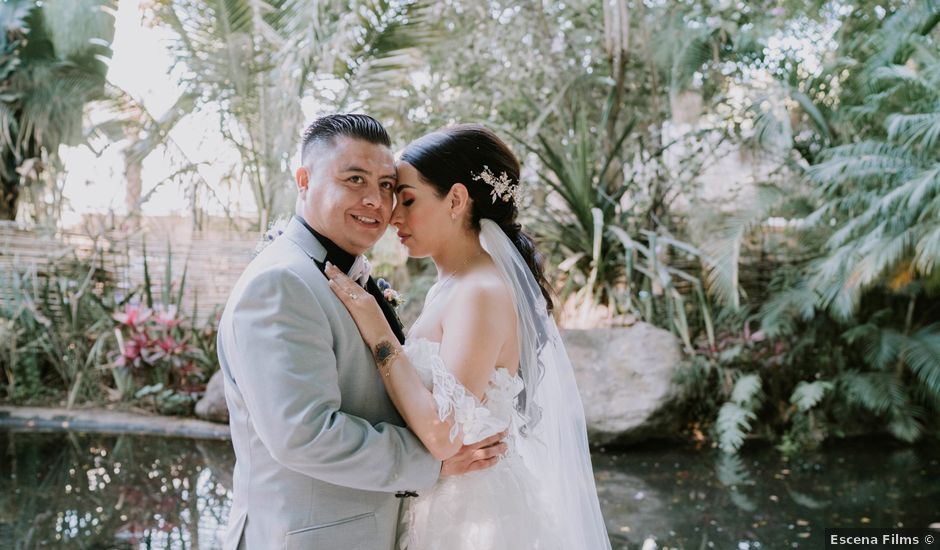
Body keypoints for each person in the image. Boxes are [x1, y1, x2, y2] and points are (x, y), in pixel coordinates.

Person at [216, 114, 506, 550]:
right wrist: (432, 463)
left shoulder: (347, 274)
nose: (376, 201)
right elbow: (304, 434)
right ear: (304, 180)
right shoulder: (281, 282)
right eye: (355, 180)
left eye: (387, 186)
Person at [326, 123, 612, 549]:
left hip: (472, 516)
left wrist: (377, 330)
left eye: (406, 199)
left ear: (456, 200)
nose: (392, 216)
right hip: (441, 500)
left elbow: (447, 431)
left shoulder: (480, 291)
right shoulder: (456, 284)